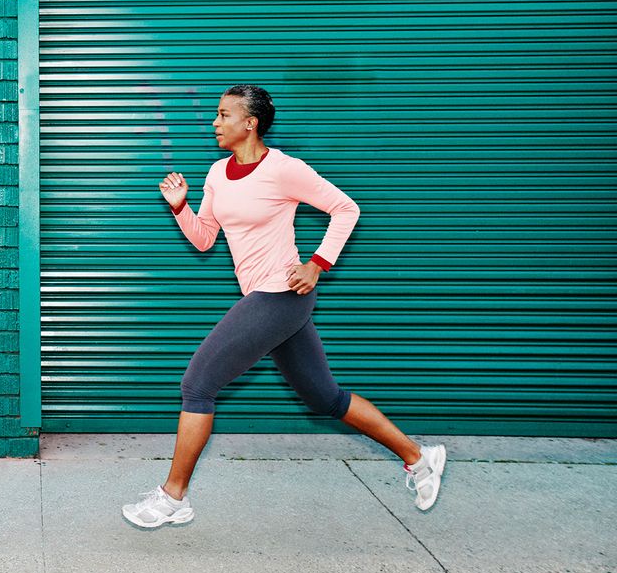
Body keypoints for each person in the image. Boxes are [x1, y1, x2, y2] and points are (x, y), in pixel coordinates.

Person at [121, 84, 446, 529]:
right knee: (324, 397)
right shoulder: (217, 173)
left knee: (197, 386)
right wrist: (180, 208)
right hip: (264, 298)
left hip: (281, 295)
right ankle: (419, 457)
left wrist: (317, 263)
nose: (214, 123)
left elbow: (345, 209)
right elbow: (205, 239)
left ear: (249, 123)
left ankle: (173, 497)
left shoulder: (285, 169)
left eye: (223, 115)